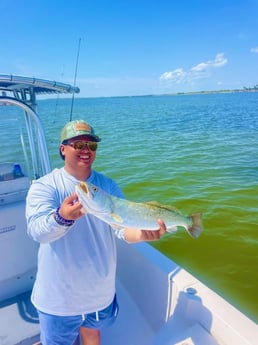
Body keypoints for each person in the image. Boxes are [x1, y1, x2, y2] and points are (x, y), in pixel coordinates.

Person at [26, 119, 166, 345]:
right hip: (58, 298)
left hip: (99, 295)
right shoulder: (44, 186)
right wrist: (62, 217)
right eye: (78, 144)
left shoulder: (107, 185)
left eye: (92, 146)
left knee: (92, 335)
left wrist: (142, 234)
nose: (86, 150)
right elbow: (37, 232)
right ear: (63, 149)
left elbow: (122, 229)